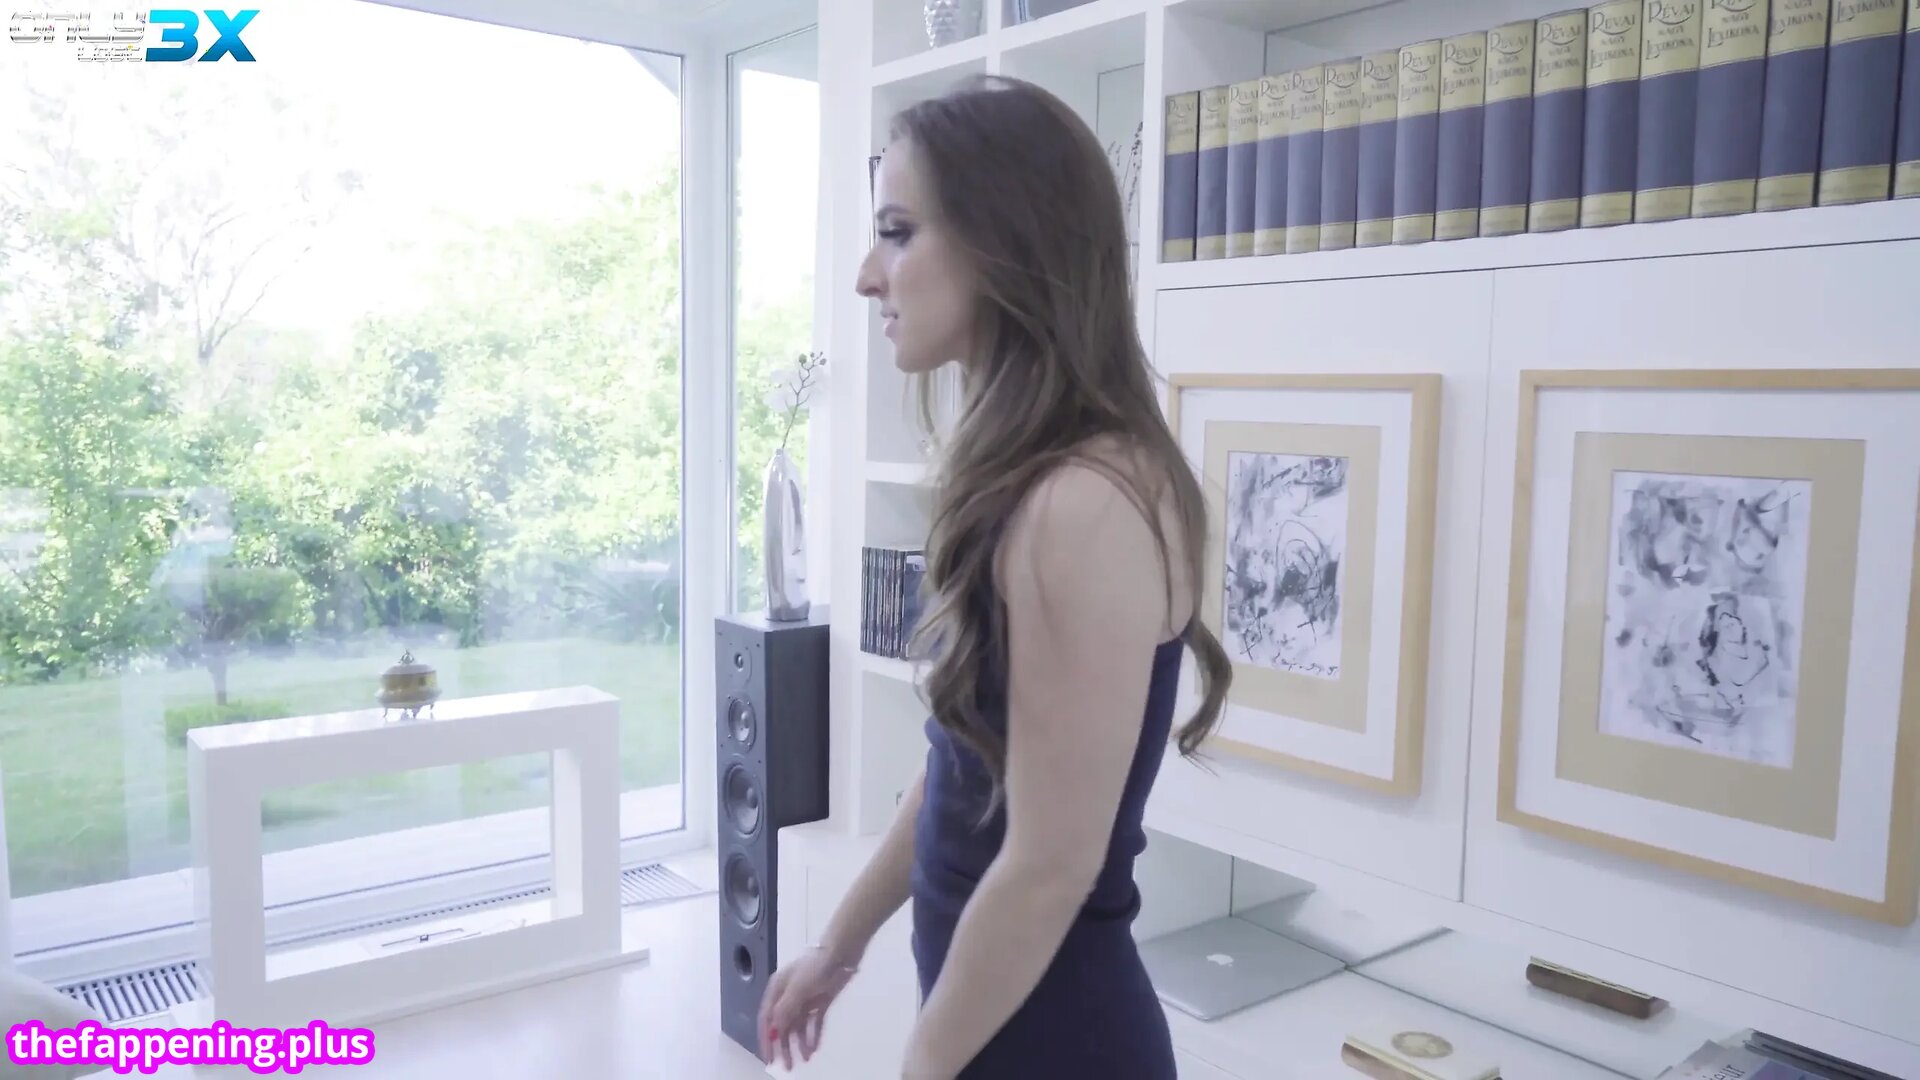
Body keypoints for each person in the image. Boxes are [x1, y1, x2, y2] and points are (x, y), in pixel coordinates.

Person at [755, 74, 1233, 1079]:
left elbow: (1052, 865)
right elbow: (962, 770)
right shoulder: (1037, 482)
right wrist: (838, 947)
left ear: (1003, 243)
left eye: (896, 233)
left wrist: (923, 1067)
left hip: (1056, 1044)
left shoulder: (1083, 502)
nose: (867, 277)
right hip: (997, 1030)